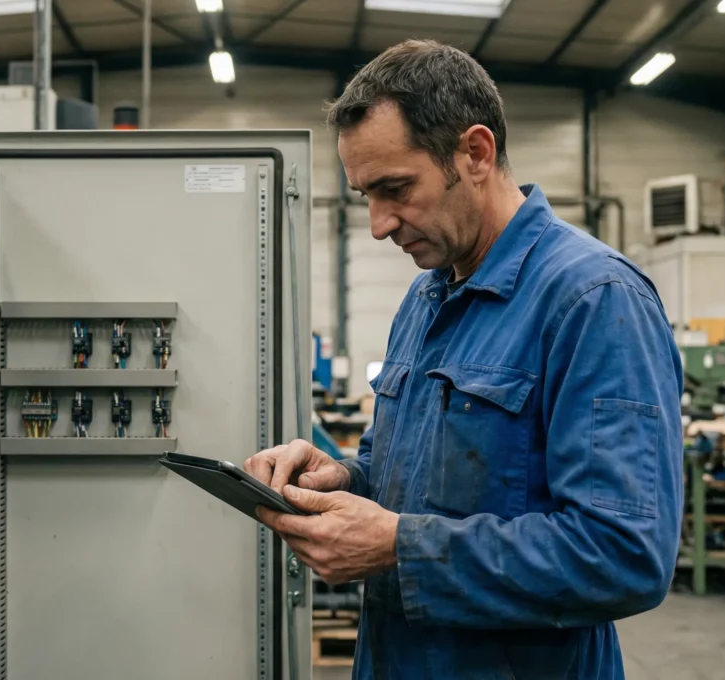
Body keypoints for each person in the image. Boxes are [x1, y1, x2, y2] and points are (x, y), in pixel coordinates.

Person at [245, 39, 683, 679]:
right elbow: (405, 478)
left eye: (395, 188)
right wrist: (341, 479)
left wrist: (397, 547)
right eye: (366, 194)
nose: (378, 224)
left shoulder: (593, 301)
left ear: (474, 153)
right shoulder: (425, 298)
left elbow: (625, 554)